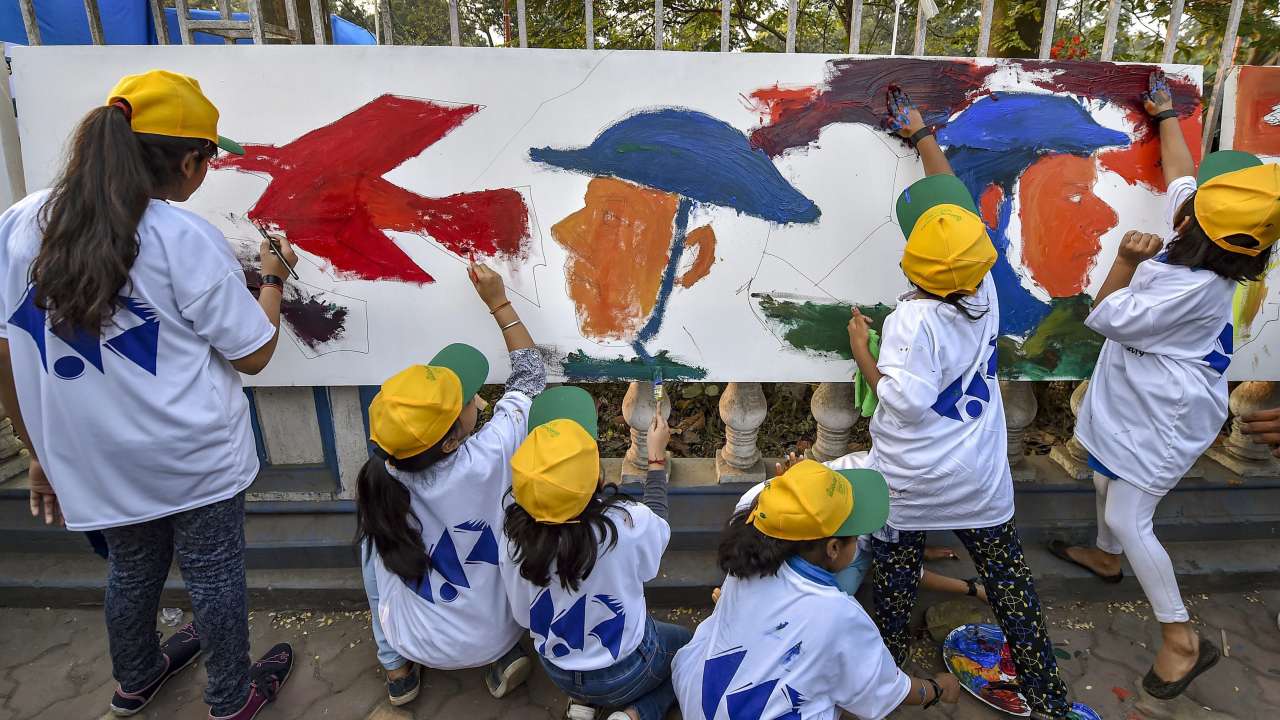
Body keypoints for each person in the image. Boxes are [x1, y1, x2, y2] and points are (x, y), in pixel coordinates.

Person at [0, 70, 296, 719]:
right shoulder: (181, 237)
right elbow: (254, 351)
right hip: (193, 458)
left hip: (94, 458)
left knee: (132, 568)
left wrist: (37, 450)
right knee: (214, 572)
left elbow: (6, 350)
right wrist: (271, 280)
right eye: (211, 159)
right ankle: (230, 697)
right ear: (189, 159)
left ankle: (135, 679)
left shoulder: (20, 223)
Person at [844, 90, 1079, 720]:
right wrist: (924, 137)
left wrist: (862, 350)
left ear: (910, 265)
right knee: (1012, 589)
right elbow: (955, 213)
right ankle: (1049, 695)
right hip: (980, 483)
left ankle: (886, 686)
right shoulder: (985, 298)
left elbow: (903, 404)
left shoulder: (909, 322)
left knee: (893, 592)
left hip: (912, 487)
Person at [1049, 71, 1279, 700]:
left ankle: (1181, 637)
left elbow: (1102, 316)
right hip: (1134, 392)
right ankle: (1104, 556)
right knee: (1102, 472)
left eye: (1194, 208)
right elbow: (1184, 174)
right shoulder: (1217, 239)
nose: (1187, 202)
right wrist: (1166, 116)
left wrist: (1124, 261)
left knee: (1129, 510)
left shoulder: (1191, 287)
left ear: (1201, 230)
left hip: (1166, 411)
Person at [355, 261, 542, 706]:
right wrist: (499, 303)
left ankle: (396, 668)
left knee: (371, 547)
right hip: (496, 636)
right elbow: (530, 376)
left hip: (414, 640)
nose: (477, 397)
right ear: (450, 441)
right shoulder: (489, 455)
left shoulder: (382, 480)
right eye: (466, 401)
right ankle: (501, 659)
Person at [673, 460, 961, 719]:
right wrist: (937, 689)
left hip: (697, 698)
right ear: (834, 549)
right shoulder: (840, 615)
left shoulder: (751, 556)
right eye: (856, 536)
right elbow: (884, 691)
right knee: (843, 691)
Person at [500, 386, 689, 720]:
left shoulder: (513, 536)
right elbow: (657, 530)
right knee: (690, 650)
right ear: (597, 479)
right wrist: (656, 461)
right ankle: (634, 715)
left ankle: (582, 705)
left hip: (558, 669)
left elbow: (523, 616)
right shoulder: (624, 523)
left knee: (584, 666)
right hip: (629, 669)